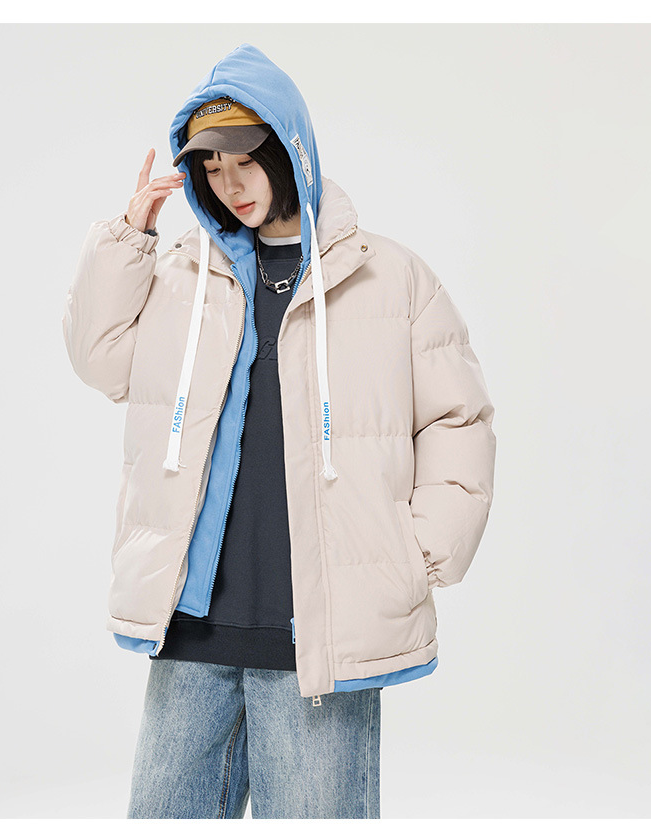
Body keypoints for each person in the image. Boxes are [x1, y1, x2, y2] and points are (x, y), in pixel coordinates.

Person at [62, 43, 496, 820]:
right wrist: (129, 238)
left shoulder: (391, 277)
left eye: (244, 163)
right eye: (211, 168)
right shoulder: (182, 276)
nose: (229, 186)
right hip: (191, 627)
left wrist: (417, 555)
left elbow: (458, 420)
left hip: (319, 639)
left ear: (289, 151)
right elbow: (101, 361)